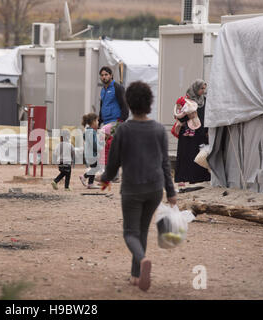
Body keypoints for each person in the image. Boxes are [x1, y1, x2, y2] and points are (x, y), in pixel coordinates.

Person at [100, 81, 177, 292]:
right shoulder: (159, 129)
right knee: (141, 230)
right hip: (155, 189)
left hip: (132, 188)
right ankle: (136, 276)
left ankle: (142, 261)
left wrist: (103, 178)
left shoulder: (123, 130)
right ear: (149, 102)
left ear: (129, 103)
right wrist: (171, 192)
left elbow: (113, 165)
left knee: (130, 233)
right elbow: (164, 163)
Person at [174, 79, 210, 186]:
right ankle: (183, 178)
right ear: (195, 88)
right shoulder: (186, 100)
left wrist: (207, 130)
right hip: (187, 133)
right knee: (185, 154)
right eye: (201, 88)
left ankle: (198, 178)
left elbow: (207, 116)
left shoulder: (205, 101)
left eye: (204, 88)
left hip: (200, 132)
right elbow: (179, 115)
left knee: (199, 154)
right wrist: (187, 117)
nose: (203, 91)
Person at [79, 113, 103, 189]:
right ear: (93, 122)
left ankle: (90, 183)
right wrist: (100, 148)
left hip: (89, 154)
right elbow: (94, 144)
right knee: (96, 167)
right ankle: (84, 176)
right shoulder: (91, 132)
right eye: (97, 120)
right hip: (92, 154)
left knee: (94, 167)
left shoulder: (89, 131)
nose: (98, 122)